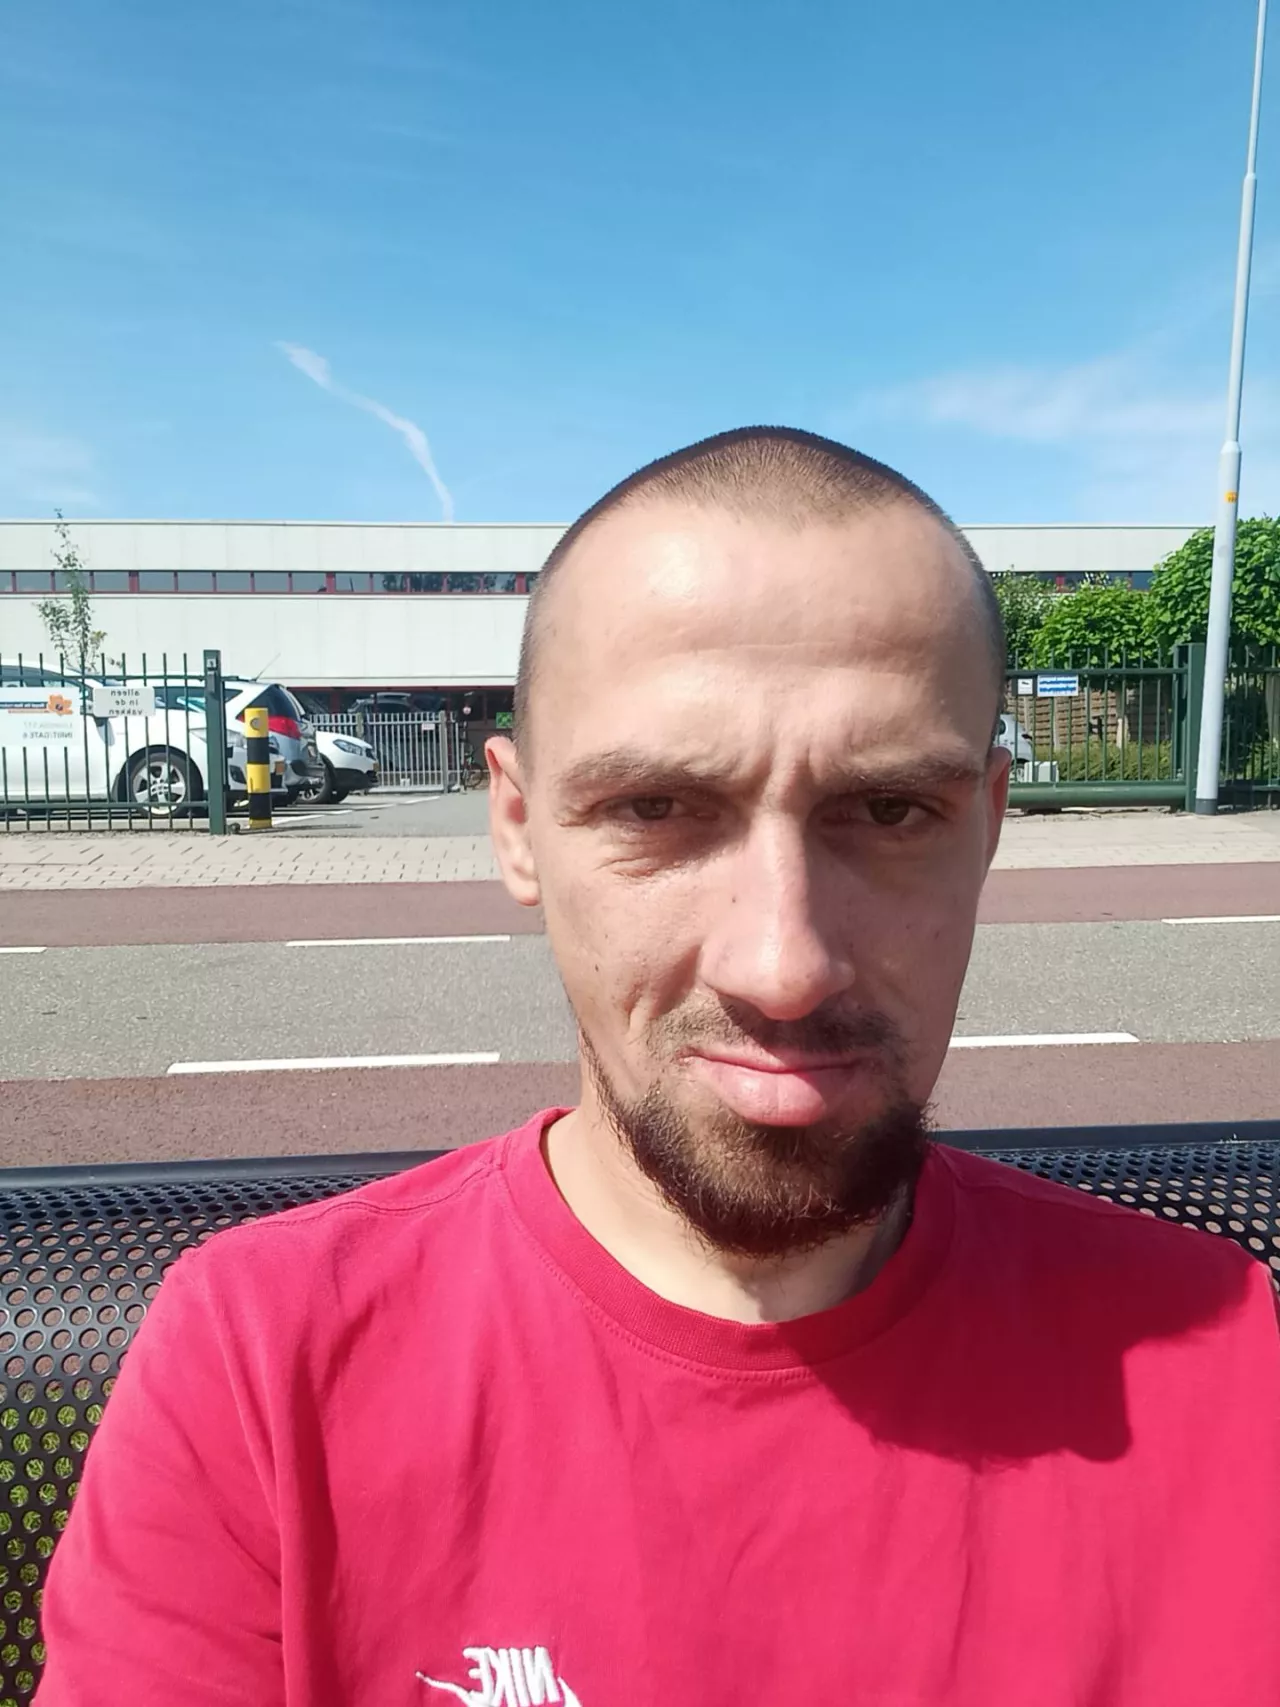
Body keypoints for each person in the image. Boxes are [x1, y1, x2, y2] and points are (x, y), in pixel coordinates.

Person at [34, 428, 1280, 1706]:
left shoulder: (1228, 1366)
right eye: (654, 809)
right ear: (518, 829)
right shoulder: (262, 1366)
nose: (782, 965)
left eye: (888, 811)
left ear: (989, 827)